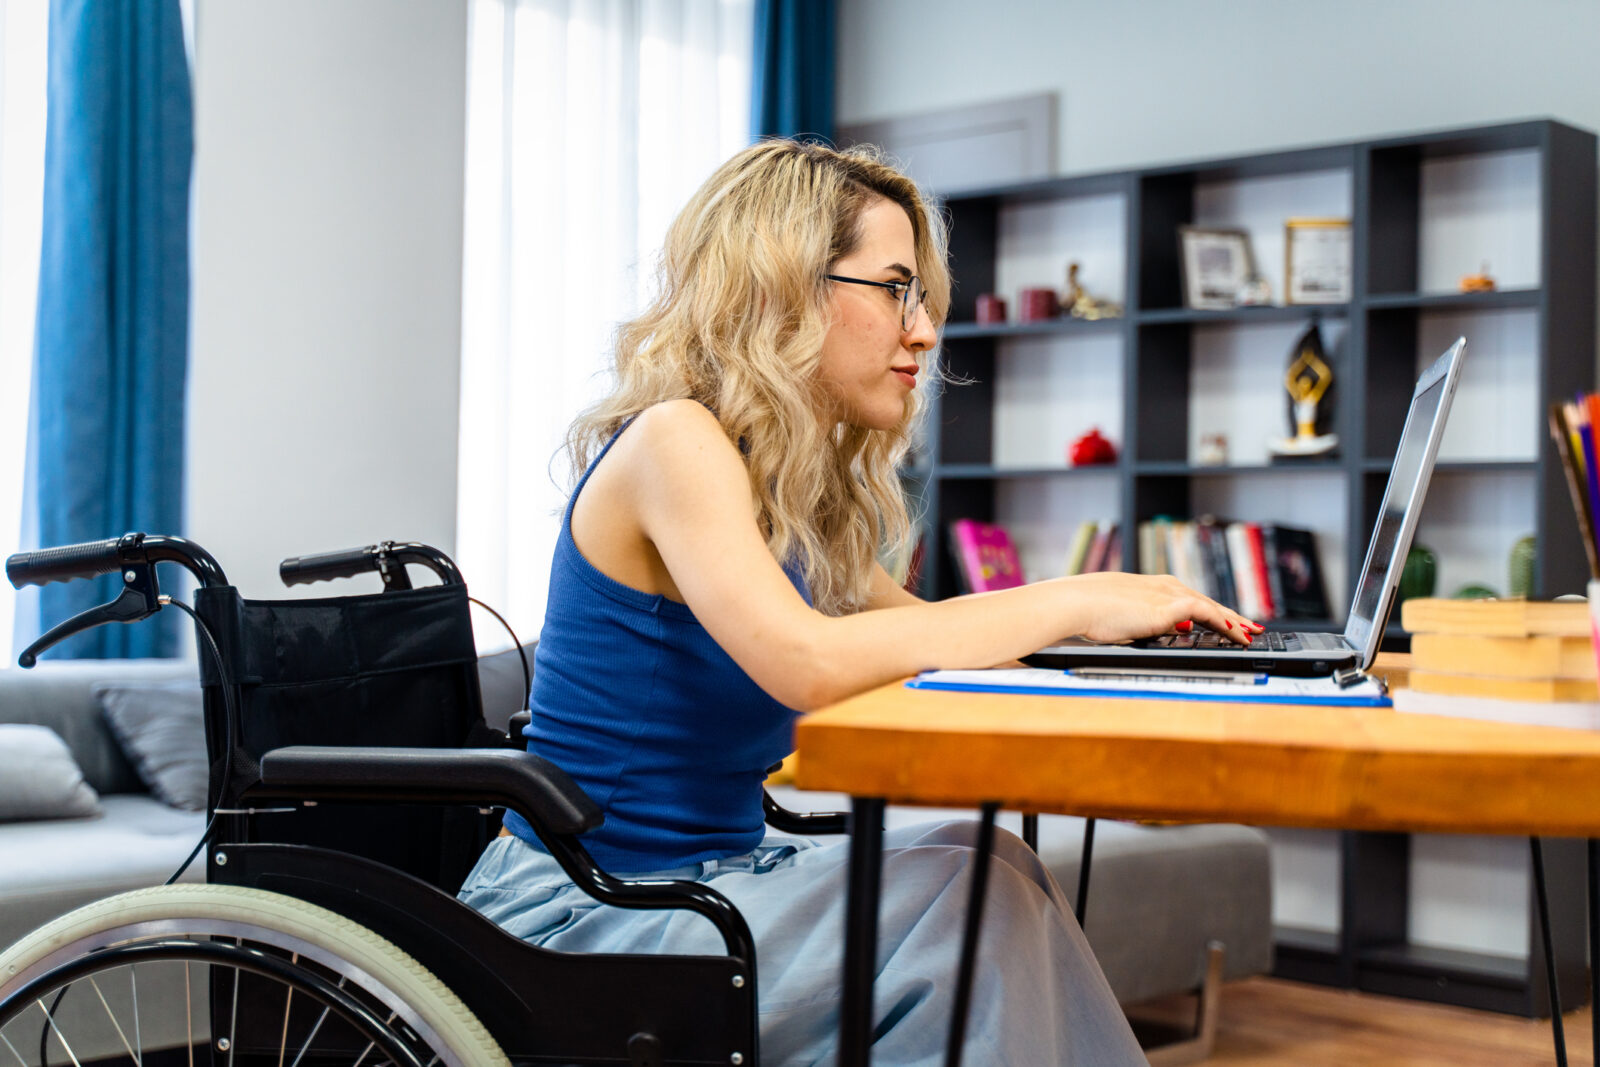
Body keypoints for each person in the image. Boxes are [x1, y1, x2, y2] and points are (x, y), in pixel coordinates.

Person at [458, 137, 1260, 1065]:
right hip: (586, 914)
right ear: (784, 286)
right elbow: (808, 662)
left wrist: (1136, 650)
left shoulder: (789, 493)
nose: (923, 332)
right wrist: (1080, 594)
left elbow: (921, 639)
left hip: (710, 884)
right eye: (896, 290)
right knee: (973, 909)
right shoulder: (675, 444)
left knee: (992, 858)